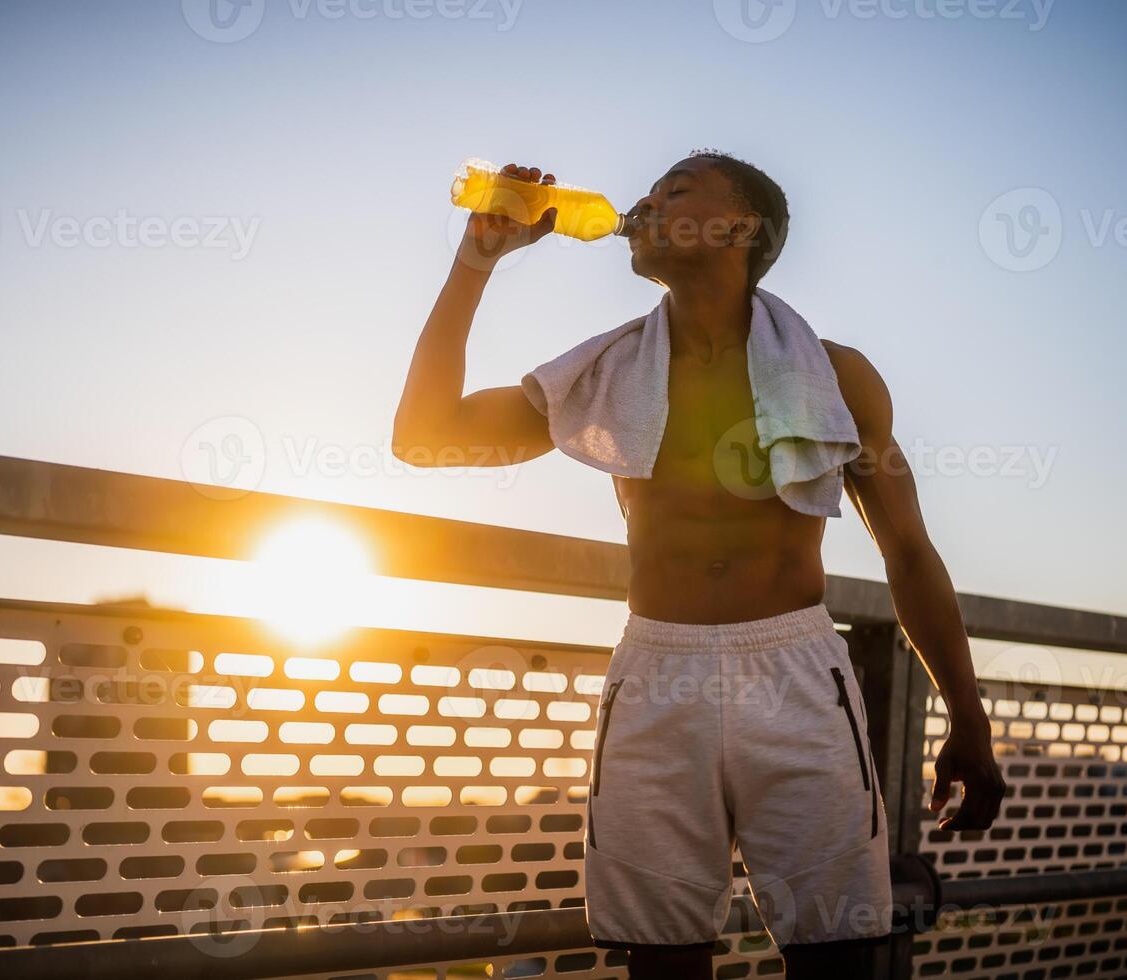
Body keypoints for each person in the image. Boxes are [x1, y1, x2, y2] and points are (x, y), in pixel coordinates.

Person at [393, 155, 1005, 979]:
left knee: (842, 954)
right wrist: (476, 259)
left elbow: (908, 552)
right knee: (663, 962)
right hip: (656, 676)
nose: (645, 202)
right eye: (648, 193)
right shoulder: (607, 373)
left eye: (675, 190)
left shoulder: (837, 376)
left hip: (795, 673)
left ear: (739, 228)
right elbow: (424, 433)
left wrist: (967, 715)